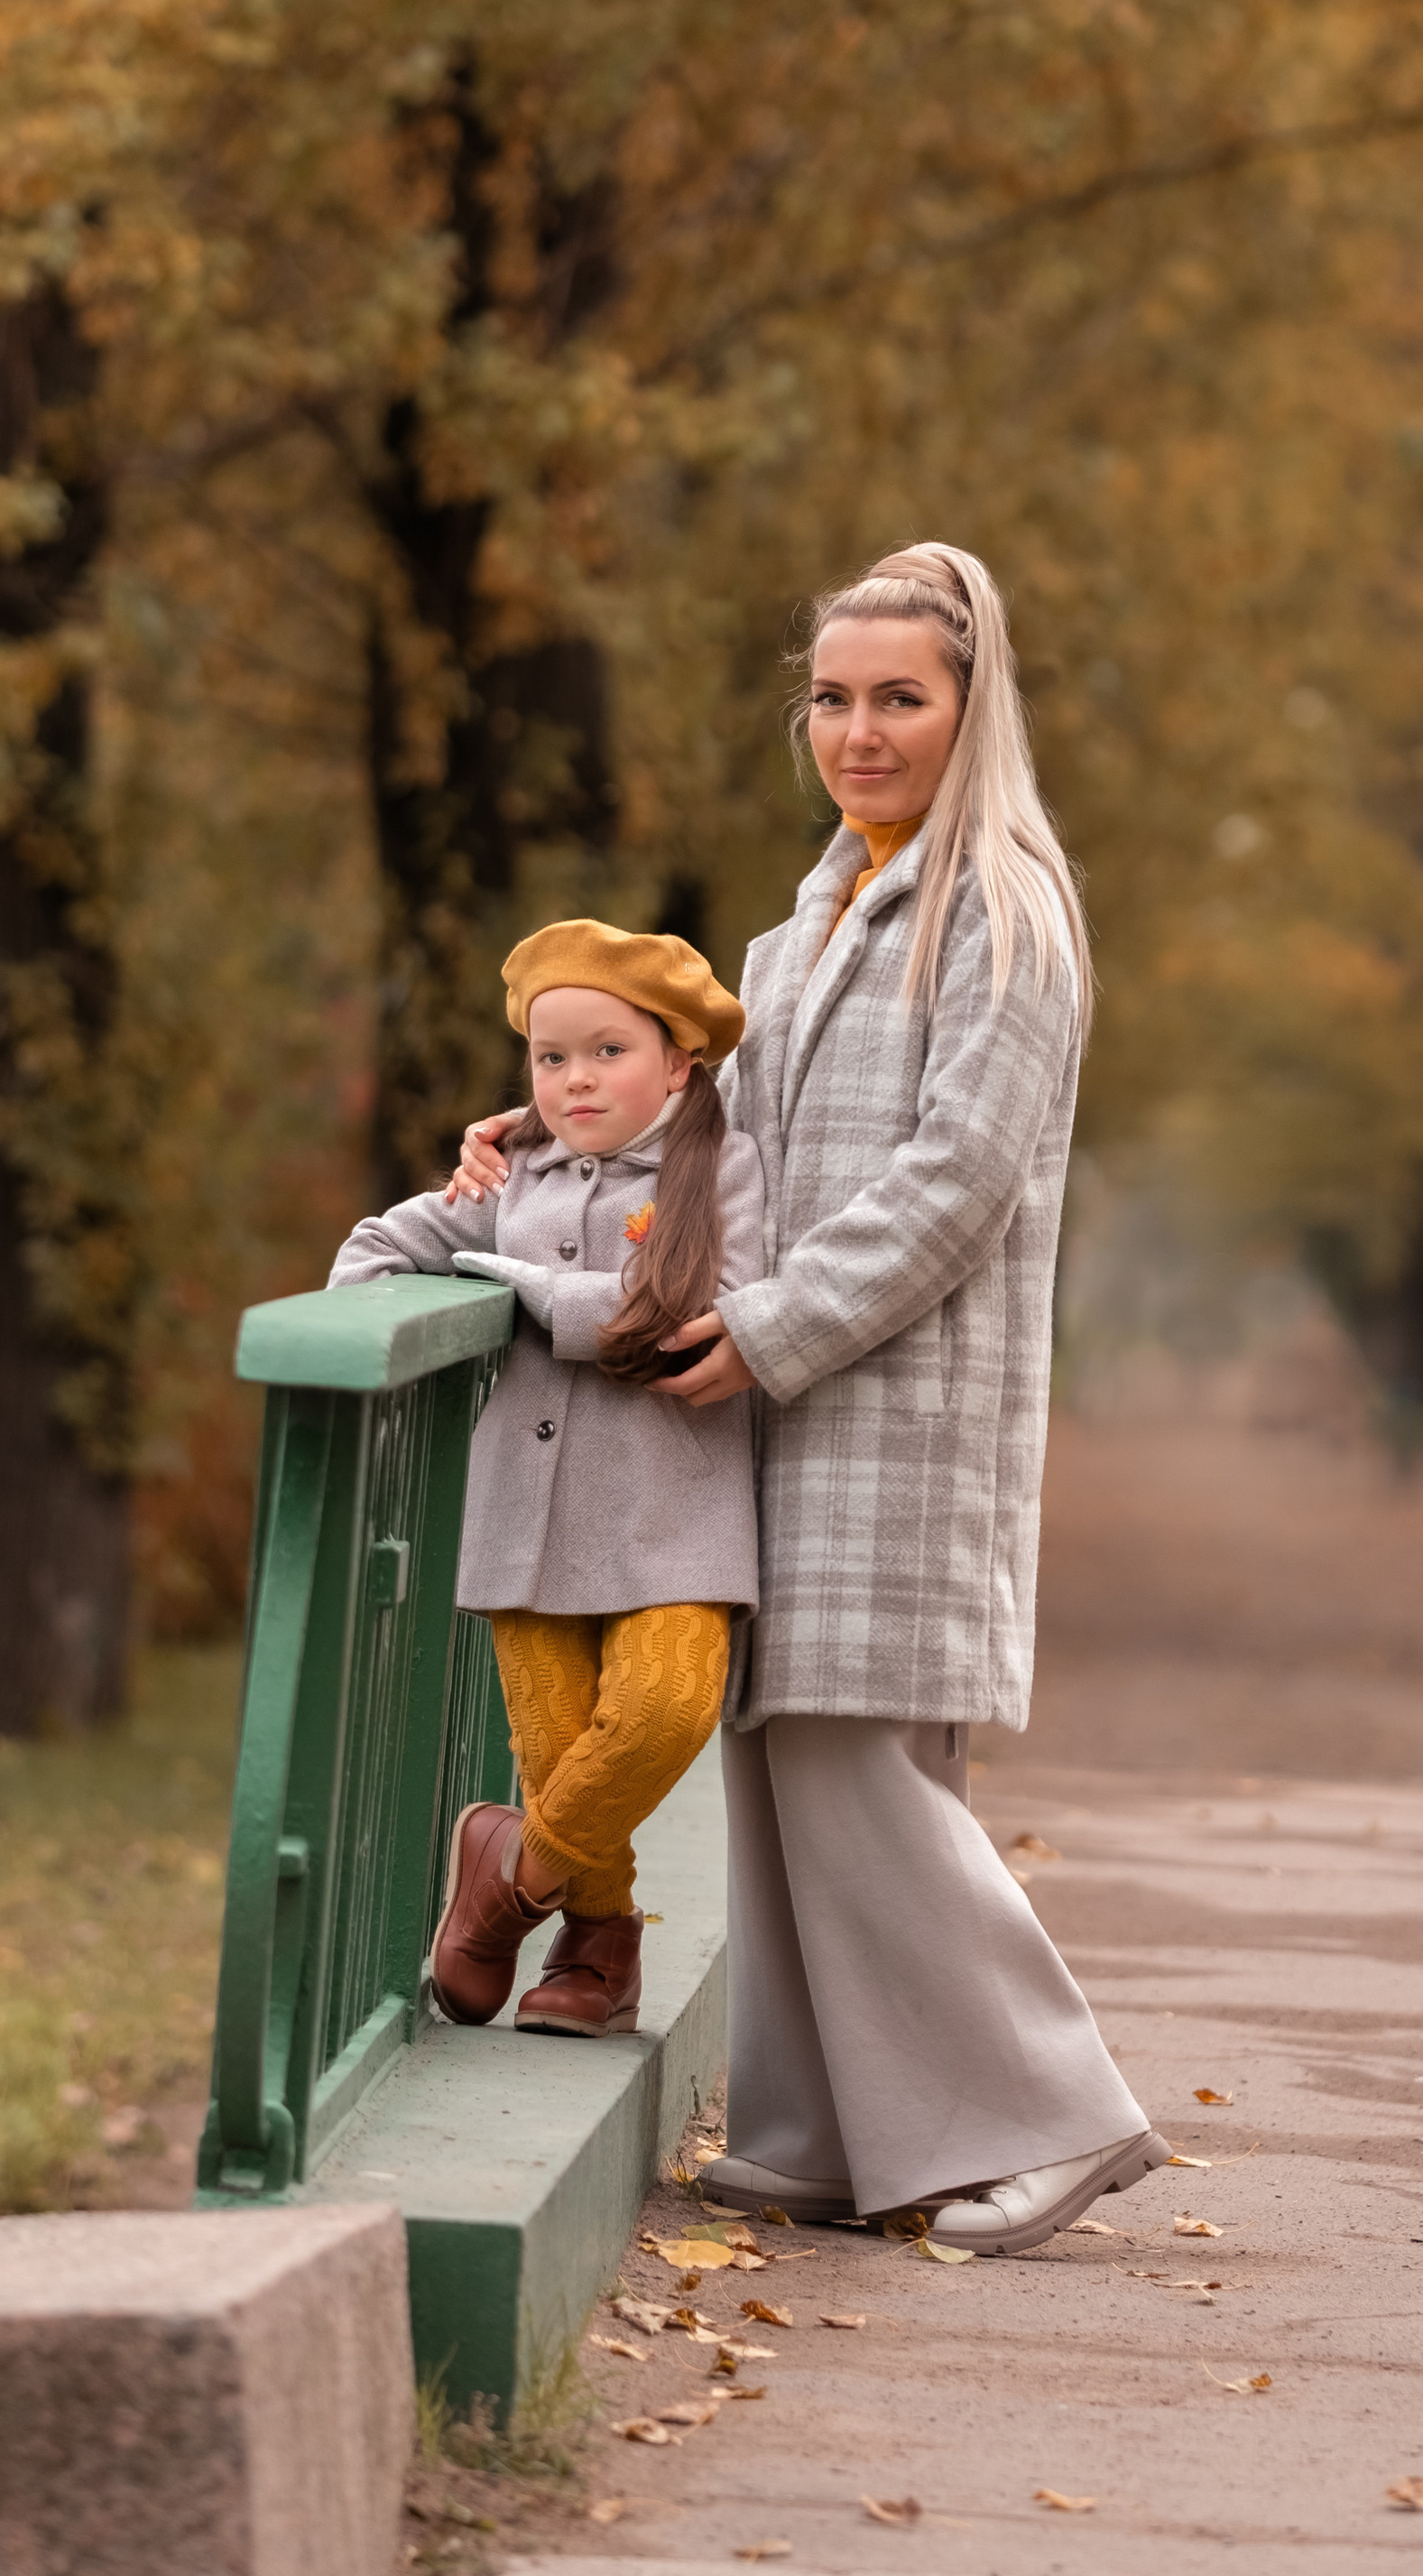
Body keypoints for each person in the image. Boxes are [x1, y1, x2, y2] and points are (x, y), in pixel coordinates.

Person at [453, 545, 1161, 2251]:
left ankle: (1054, 2116)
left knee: (861, 1768)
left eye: (899, 698)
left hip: (892, 1398)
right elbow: (707, 1128)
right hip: (777, 1401)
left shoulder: (1007, 913)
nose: (860, 730)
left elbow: (957, 1181)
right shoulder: (811, 917)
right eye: (835, 699)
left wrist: (771, 1328)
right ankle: (827, 2131)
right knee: (781, 1764)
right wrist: (535, 1137)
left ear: (970, 709)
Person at [331, 921, 762, 2041]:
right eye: (550, 1056)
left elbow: (692, 1316)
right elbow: (381, 1247)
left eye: (607, 1051)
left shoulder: (725, 1170)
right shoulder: (507, 1173)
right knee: (562, 1743)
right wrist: (368, 1320)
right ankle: (597, 1952)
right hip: (521, 1521)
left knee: (664, 1709)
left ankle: (501, 1881)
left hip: (676, 1514)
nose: (575, 1079)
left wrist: (514, 1282)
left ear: (677, 1063)